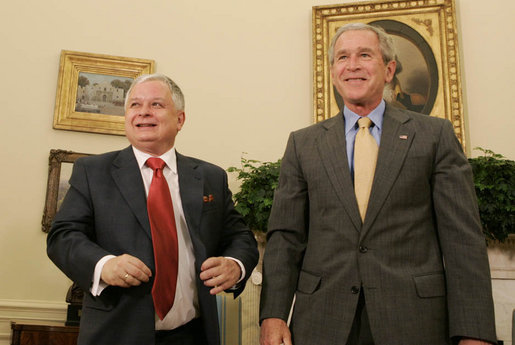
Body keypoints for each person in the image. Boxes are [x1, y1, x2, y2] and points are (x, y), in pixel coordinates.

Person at [259, 23, 496, 345]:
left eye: (364, 55)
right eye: (342, 57)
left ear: (388, 70)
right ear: (332, 72)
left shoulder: (433, 135)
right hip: (322, 319)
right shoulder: (304, 144)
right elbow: (286, 237)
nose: (352, 65)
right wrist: (273, 315)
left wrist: (474, 332)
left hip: (413, 320)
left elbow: (462, 239)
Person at [47, 73, 258, 345]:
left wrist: (235, 265)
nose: (143, 112)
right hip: (115, 335)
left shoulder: (210, 177)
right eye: (135, 105)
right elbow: (62, 236)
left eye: (156, 105)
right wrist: (104, 265)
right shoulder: (93, 172)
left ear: (180, 119)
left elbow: (240, 238)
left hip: (192, 335)